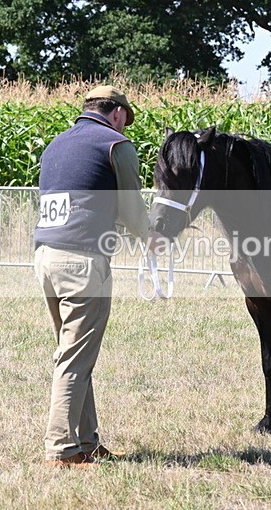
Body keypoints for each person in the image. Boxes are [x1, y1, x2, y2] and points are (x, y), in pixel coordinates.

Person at [34, 85, 159, 468]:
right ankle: (62, 448)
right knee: (74, 359)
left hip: (45, 257)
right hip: (83, 262)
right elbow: (131, 204)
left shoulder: (56, 144)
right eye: (126, 121)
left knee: (75, 353)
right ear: (118, 113)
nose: (125, 128)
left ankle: (87, 441)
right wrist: (151, 237)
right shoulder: (114, 145)